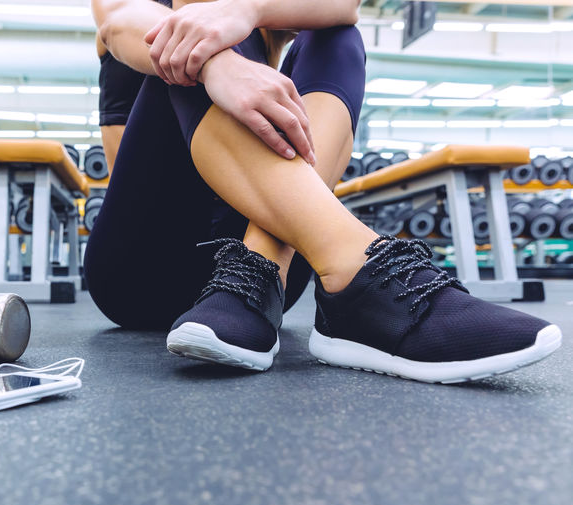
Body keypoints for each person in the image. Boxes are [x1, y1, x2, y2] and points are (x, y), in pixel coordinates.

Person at [84, 0, 562, 383]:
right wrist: (217, 65)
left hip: (269, 285)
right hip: (138, 269)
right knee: (186, 38)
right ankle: (357, 269)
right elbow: (120, 23)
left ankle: (258, 268)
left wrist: (247, 9)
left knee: (335, 33)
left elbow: (344, 7)